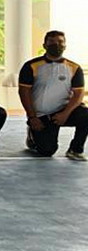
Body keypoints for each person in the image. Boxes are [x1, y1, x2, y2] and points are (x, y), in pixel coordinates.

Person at [19, 30, 87, 160]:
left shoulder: (74, 68)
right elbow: (24, 92)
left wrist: (65, 114)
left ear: (65, 45)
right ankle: (32, 135)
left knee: (86, 114)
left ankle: (75, 149)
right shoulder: (31, 66)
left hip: (64, 111)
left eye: (60, 42)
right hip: (42, 116)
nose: (56, 45)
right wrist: (32, 117)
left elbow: (78, 94)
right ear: (44, 45)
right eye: (52, 42)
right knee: (47, 151)